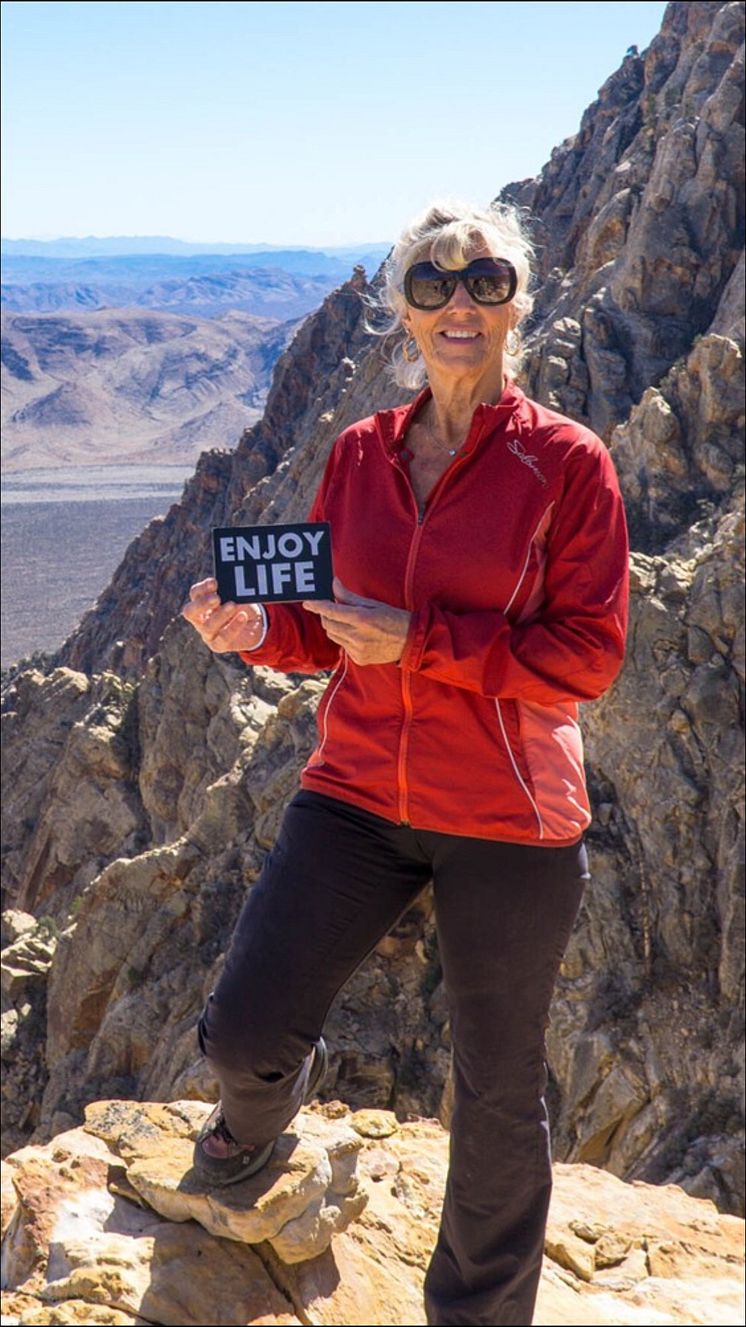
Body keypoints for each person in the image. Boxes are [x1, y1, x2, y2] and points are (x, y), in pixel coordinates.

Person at [181, 198, 629, 1326]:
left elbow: (587, 658)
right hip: (357, 791)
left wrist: (422, 643)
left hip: (508, 814)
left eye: (481, 281)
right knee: (242, 1026)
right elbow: (319, 629)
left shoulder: (564, 463)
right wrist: (255, 636)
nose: (457, 305)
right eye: (430, 286)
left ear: (516, 302)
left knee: (492, 1086)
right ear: (402, 313)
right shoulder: (359, 454)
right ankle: (254, 1126)